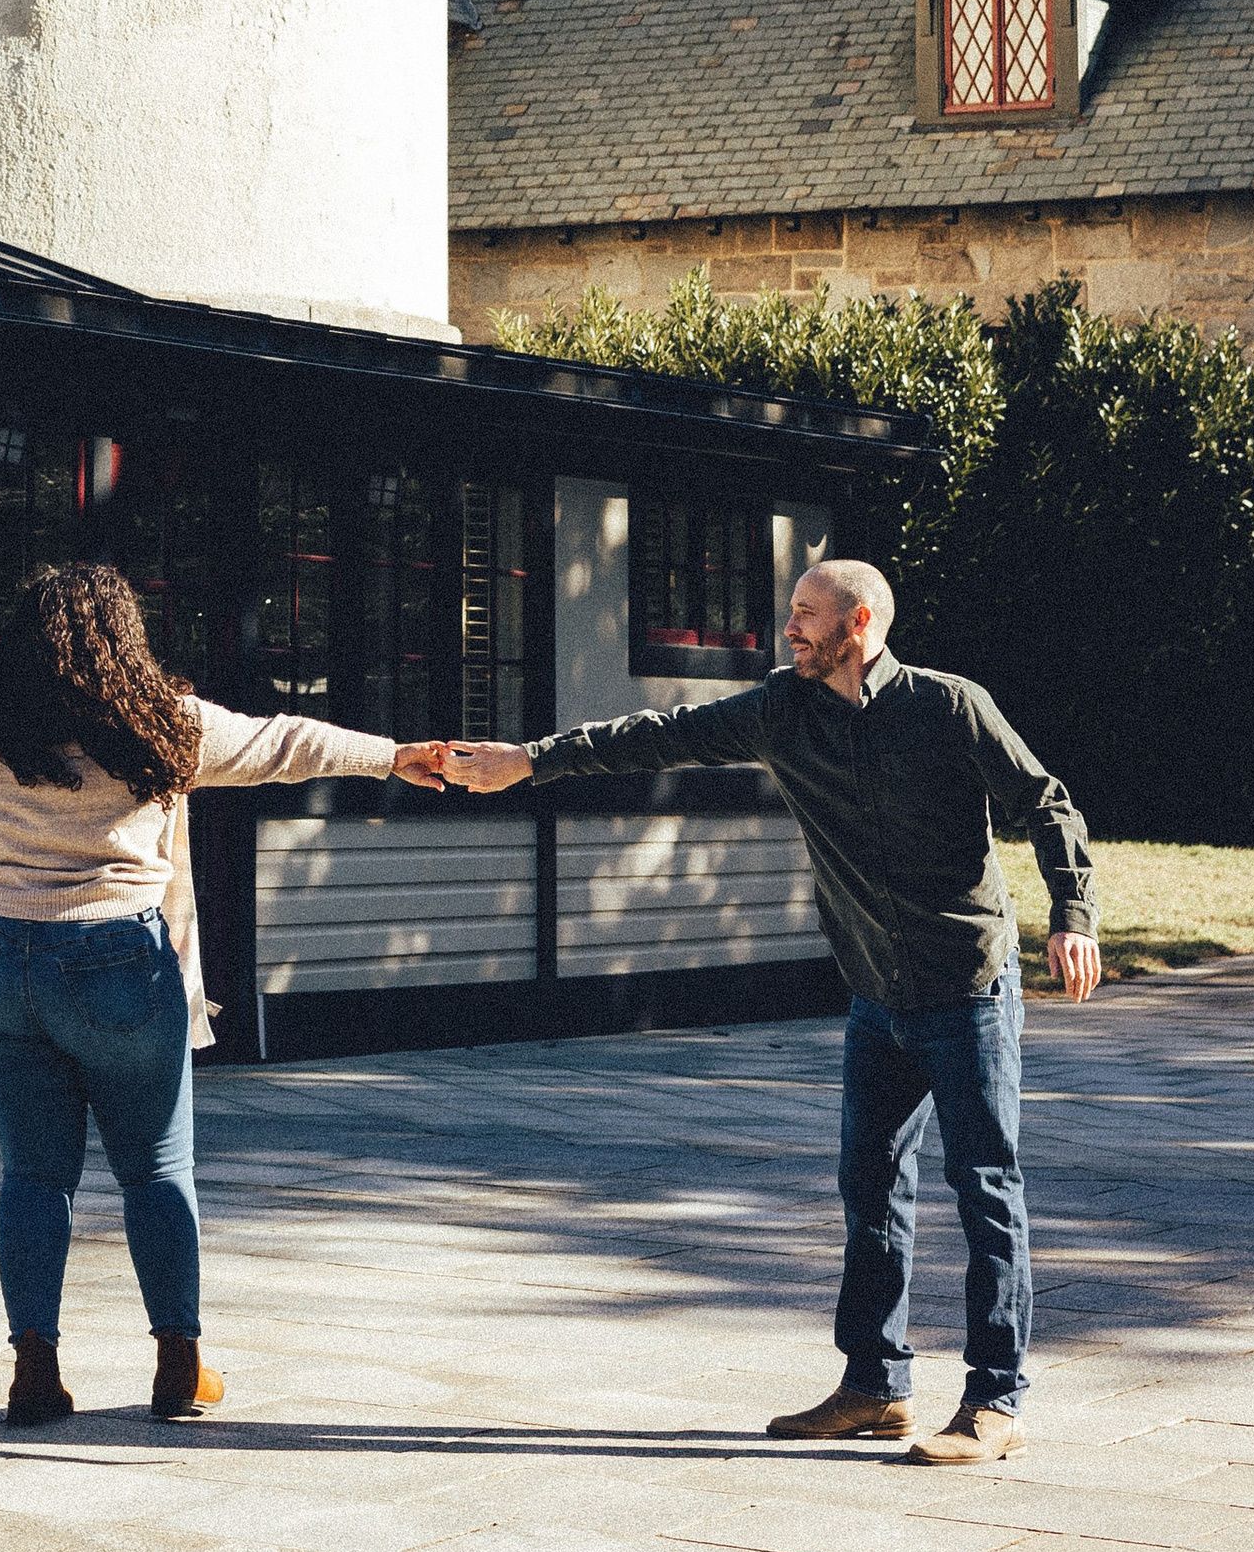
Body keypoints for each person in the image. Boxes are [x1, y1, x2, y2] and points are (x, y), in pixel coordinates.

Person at [448, 554, 1099, 1462]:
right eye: (791, 611)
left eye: (805, 613)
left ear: (860, 624)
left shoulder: (949, 707)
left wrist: (1074, 916)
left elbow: (1045, 801)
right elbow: (658, 734)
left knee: (985, 1187)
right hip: (875, 991)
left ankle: (997, 1402)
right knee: (868, 1188)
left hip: (965, 986)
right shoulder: (780, 710)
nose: (787, 627)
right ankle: (875, 1385)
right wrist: (530, 761)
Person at [0, 557, 448, 1426]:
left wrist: (21, 883)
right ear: (123, 636)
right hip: (119, 960)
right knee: (156, 1171)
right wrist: (393, 756)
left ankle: (34, 1372)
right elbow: (285, 743)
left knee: (32, 1175)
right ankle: (179, 1365)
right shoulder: (158, 724)